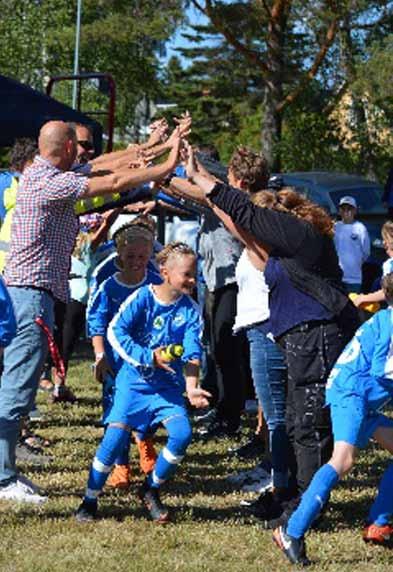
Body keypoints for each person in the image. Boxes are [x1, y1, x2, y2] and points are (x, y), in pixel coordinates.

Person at [0, 120, 182, 504]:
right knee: (16, 389)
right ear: (66, 148)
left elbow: (107, 166)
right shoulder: (52, 183)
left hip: (34, 295)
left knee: (22, 386)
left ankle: (6, 472)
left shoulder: (48, 171)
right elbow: (113, 183)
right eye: (79, 147)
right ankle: (2, 477)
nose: (85, 154)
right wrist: (163, 167)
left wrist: (146, 149)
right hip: (29, 296)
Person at [182, 143, 359, 526]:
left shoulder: (299, 233)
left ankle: (310, 510)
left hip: (319, 336)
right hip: (300, 338)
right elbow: (242, 226)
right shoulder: (284, 248)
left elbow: (245, 212)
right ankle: (292, 497)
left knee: (311, 427)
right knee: (296, 422)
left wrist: (206, 182)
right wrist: (203, 189)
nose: (260, 223)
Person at [75, 242, 210, 523]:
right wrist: (147, 357)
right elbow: (116, 331)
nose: (192, 279)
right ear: (165, 272)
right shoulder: (142, 298)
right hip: (132, 383)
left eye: (194, 273)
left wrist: (191, 387)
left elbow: (192, 351)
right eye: (186, 273)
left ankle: (150, 489)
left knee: (182, 434)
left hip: (165, 388)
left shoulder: (191, 310)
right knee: (113, 441)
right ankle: (89, 499)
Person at [273, 272, 393, 565]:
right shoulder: (390, 322)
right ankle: (292, 529)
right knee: (343, 460)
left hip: (358, 395)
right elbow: (382, 369)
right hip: (350, 393)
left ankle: (379, 522)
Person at [87, 223, 162, 488]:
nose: (136, 262)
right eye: (130, 256)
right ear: (119, 256)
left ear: (150, 256)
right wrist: (99, 355)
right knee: (116, 414)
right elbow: (96, 323)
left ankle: (145, 441)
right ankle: (121, 465)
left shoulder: (156, 284)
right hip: (116, 363)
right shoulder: (109, 287)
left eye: (142, 257)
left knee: (149, 407)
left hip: (147, 361)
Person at [334, 196, 370, 293]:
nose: (346, 211)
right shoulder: (335, 227)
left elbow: (366, 252)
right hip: (337, 276)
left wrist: (356, 264)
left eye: (349, 208)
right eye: (343, 208)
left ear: (355, 211)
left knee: (353, 305)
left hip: (354, 278)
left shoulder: (360, 228)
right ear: (339, 211)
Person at [353, 221, 393, 308]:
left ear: (386, 243)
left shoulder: (389, 265)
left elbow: (387, 291)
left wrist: (363, 298)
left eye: (384, 239)